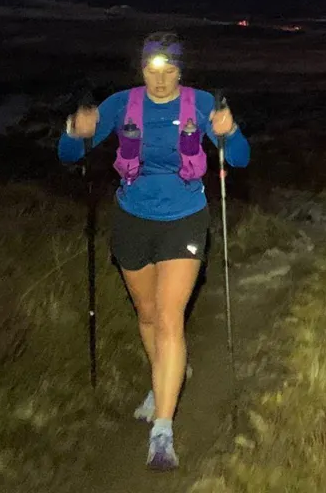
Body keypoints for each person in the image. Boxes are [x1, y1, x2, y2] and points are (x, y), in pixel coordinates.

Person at [58, 31, 249, 471]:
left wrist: (230, 130)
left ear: (182, 70)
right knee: (146, 313)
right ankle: (162, 375)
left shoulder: (202, 104)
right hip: (131, 218)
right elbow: (69, 153)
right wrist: (75, 129)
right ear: (141, 69)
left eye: (169, 71)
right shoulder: (120, 105)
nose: (160, 81)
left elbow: (238, 158)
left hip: (184, 216)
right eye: (151, 70)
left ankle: (162, 429)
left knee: (168, 316)